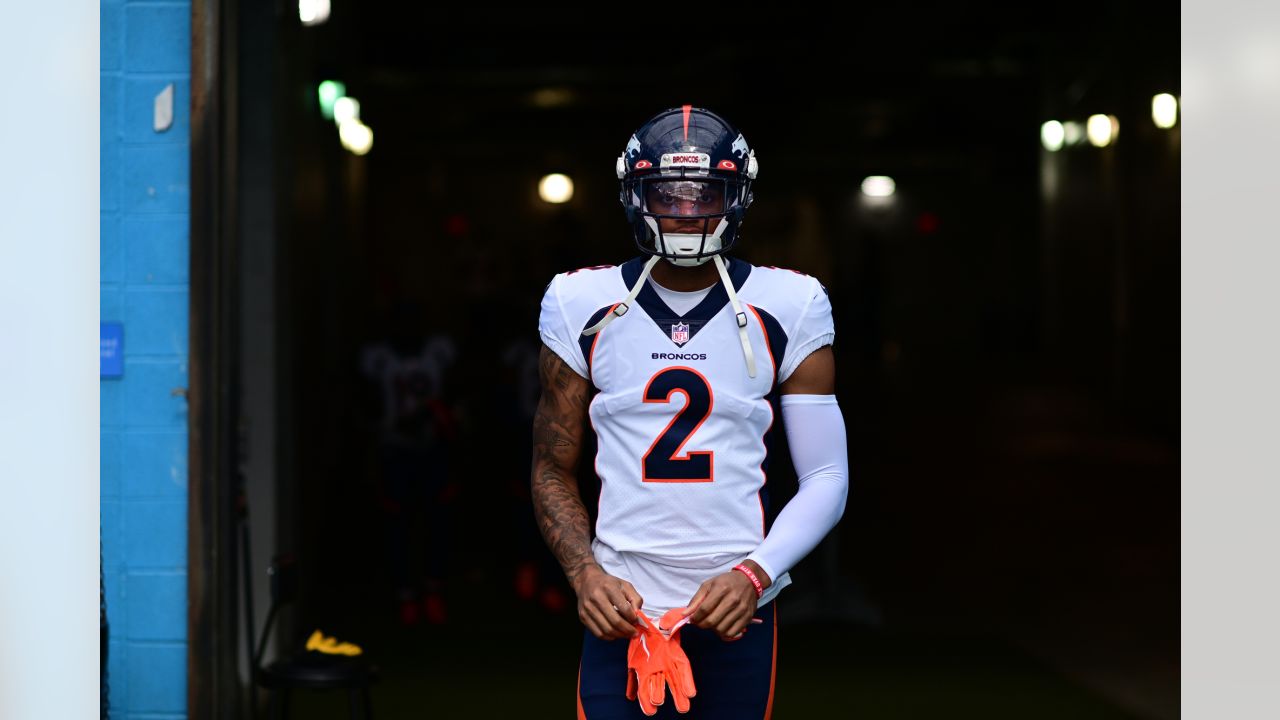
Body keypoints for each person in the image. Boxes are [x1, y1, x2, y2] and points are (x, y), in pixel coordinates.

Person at [532, 105, 849, 718]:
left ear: (737, 198)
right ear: (634, 195)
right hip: (621, 607)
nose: (684, 213)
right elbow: (550, 467)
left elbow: (827, 477)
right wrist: (585, 576)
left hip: (736, 605)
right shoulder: (580, 301)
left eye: (704, 195)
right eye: (666, 196)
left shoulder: (792, 303)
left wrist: (755, 575)